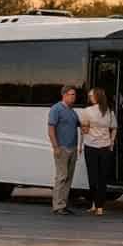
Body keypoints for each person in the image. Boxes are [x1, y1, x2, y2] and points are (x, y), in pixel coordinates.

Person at [76, 88, 118, 216]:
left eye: (91, 95)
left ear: (97, 96)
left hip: (91, 147)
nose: (90, 97)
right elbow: (114, 128)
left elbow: (83, 130)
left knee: (93, 177)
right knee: (102, 178)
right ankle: (98, 206)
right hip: (104, 148)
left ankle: (97, 205)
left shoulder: (87, 111)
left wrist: (80, 145)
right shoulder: (109, 111)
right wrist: (111, 143)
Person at [47, 85, 81, 215]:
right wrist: (55, 147)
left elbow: (80, 125)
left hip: (72, 148)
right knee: (62, 177)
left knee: (68, 178)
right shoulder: (56, 109)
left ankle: (63, 204)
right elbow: (51, 130)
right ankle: (57, 206)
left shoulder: (72, 111)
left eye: (74, 95)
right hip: (62, 148)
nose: (74, 97)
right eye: (72, 94)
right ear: (64, 95)